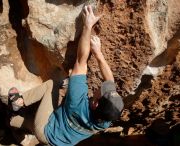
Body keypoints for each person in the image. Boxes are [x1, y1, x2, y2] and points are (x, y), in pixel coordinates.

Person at [8, 5, 124, 146]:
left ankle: (20, 101)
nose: (105, 87)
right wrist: (99, 55)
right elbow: (110, 80)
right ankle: (14, 123)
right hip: (61, 143)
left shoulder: (77, 102)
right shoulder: (105, 121)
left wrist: (87, 26)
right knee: (23, 122)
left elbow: (81, 61)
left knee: (51, 86)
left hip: (46, 131)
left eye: (103, 92)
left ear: (95, 104)